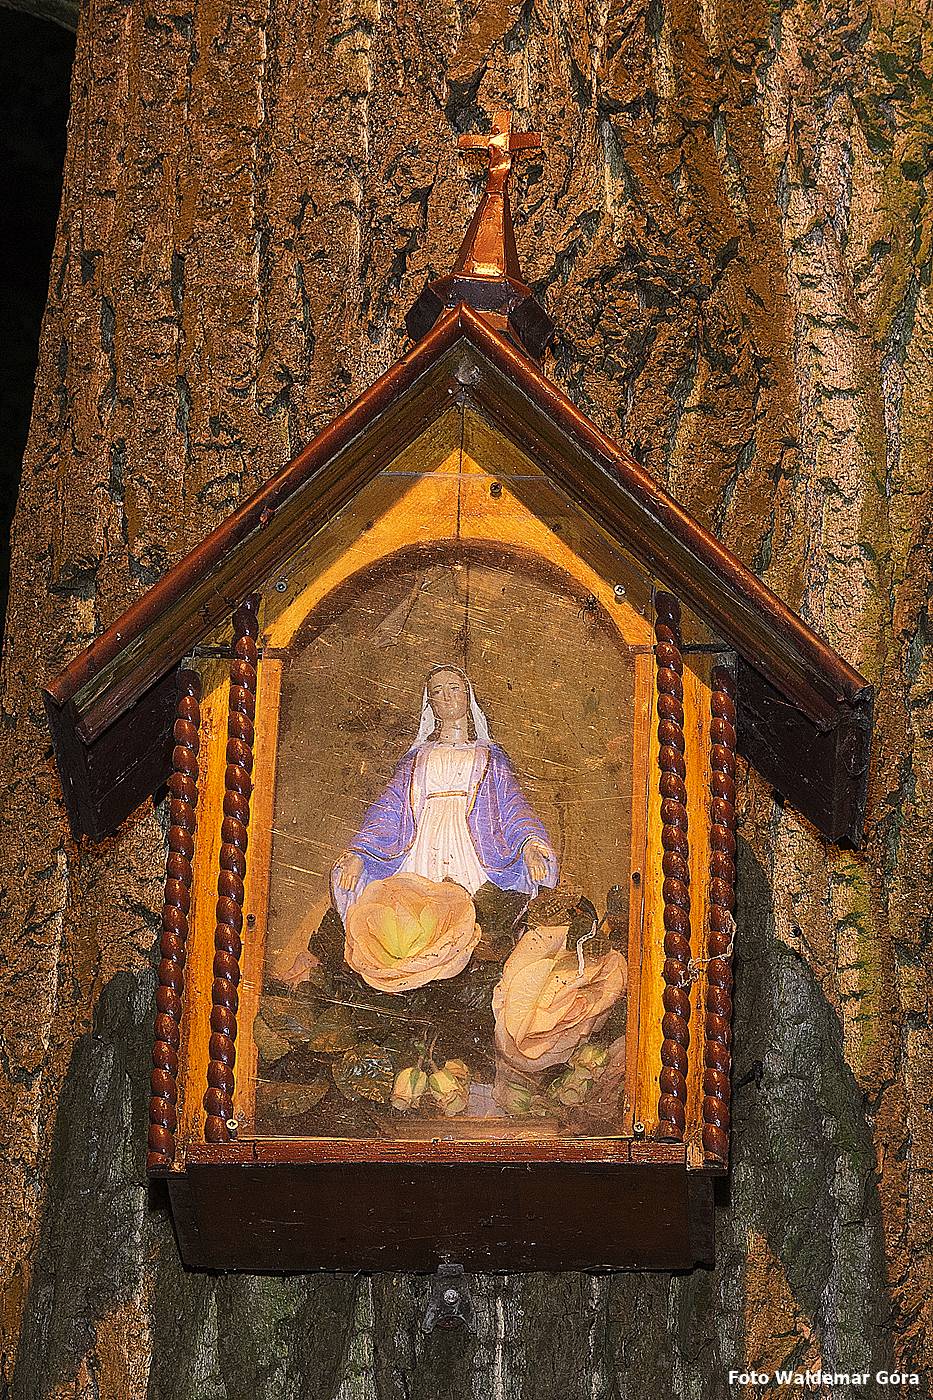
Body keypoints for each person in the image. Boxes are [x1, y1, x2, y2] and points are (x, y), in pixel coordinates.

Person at [331, 665, 557, 919]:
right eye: (438, 691)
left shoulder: (489, 756)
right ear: (431, 704)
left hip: (476, 846)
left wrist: (529, 844)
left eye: (454, 688)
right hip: (422, 845)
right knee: (419, 915)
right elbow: (388, 809)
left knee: (474, 914)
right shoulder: (417, 758)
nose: (447, 696)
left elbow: (513, 806)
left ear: (468, 695)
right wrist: (360, 854)